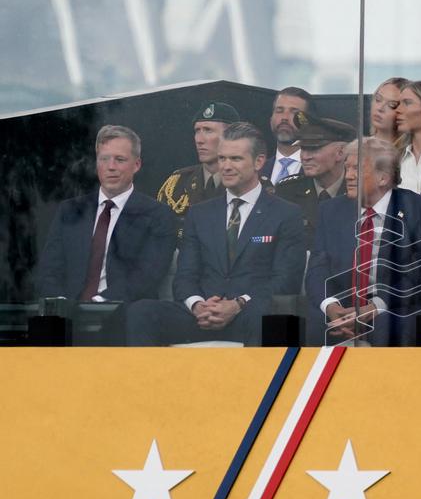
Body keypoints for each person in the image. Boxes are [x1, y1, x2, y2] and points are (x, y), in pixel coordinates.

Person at [127, 123, 306, 346]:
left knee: (267, 317)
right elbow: (185, 276)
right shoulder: (199, 213)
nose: (226, 166)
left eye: (236, 159)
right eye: (222, 159)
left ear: (259, 162)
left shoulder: (285, 213)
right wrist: (197, 305)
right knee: (141, 312)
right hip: (202, 315)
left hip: (249, 315)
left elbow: (285, 280)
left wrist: (238, 304)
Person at [306, 137, 421, 346]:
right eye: (347, 168)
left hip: (391, 307)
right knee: (310, 322)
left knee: (386, 325)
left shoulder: (418, 210)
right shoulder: (331, 211)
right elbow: (318, 267)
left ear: (383, 178)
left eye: (358, 170)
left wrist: (375, 307)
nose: (349, 176)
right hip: (342, 306)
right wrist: (332, 307)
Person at [37, 125, 176, 304]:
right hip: (67, 315)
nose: (111, 167)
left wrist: (101, 302)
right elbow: (49, 270)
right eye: (104, 159)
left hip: (122, 315)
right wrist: (59, 304)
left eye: (120, 159)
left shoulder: (158, 215)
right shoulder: (70, 210)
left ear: (136, 165)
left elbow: (148, 274)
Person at [274, 112, 355, 244]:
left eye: (314, 149)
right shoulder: (286, 192)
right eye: (303, 149)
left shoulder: (359, 191)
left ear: (340, 153)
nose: (305, 157)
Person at [157, 102, 241, 225]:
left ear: (232, 136)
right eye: (197, 131)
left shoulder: (249, 182)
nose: (199, 140)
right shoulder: (177, 183)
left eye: (208, 130)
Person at [263, 87, 313, 186]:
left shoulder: (318, 172)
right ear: (271, 119)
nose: (284, 118)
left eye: (294, 112)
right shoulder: (256, 170)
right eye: (279, 110)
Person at [369, 77, 407, 144]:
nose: (380, 108)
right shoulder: (357, 148)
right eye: (378, 99)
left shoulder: (413, 152)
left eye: (392, 105)